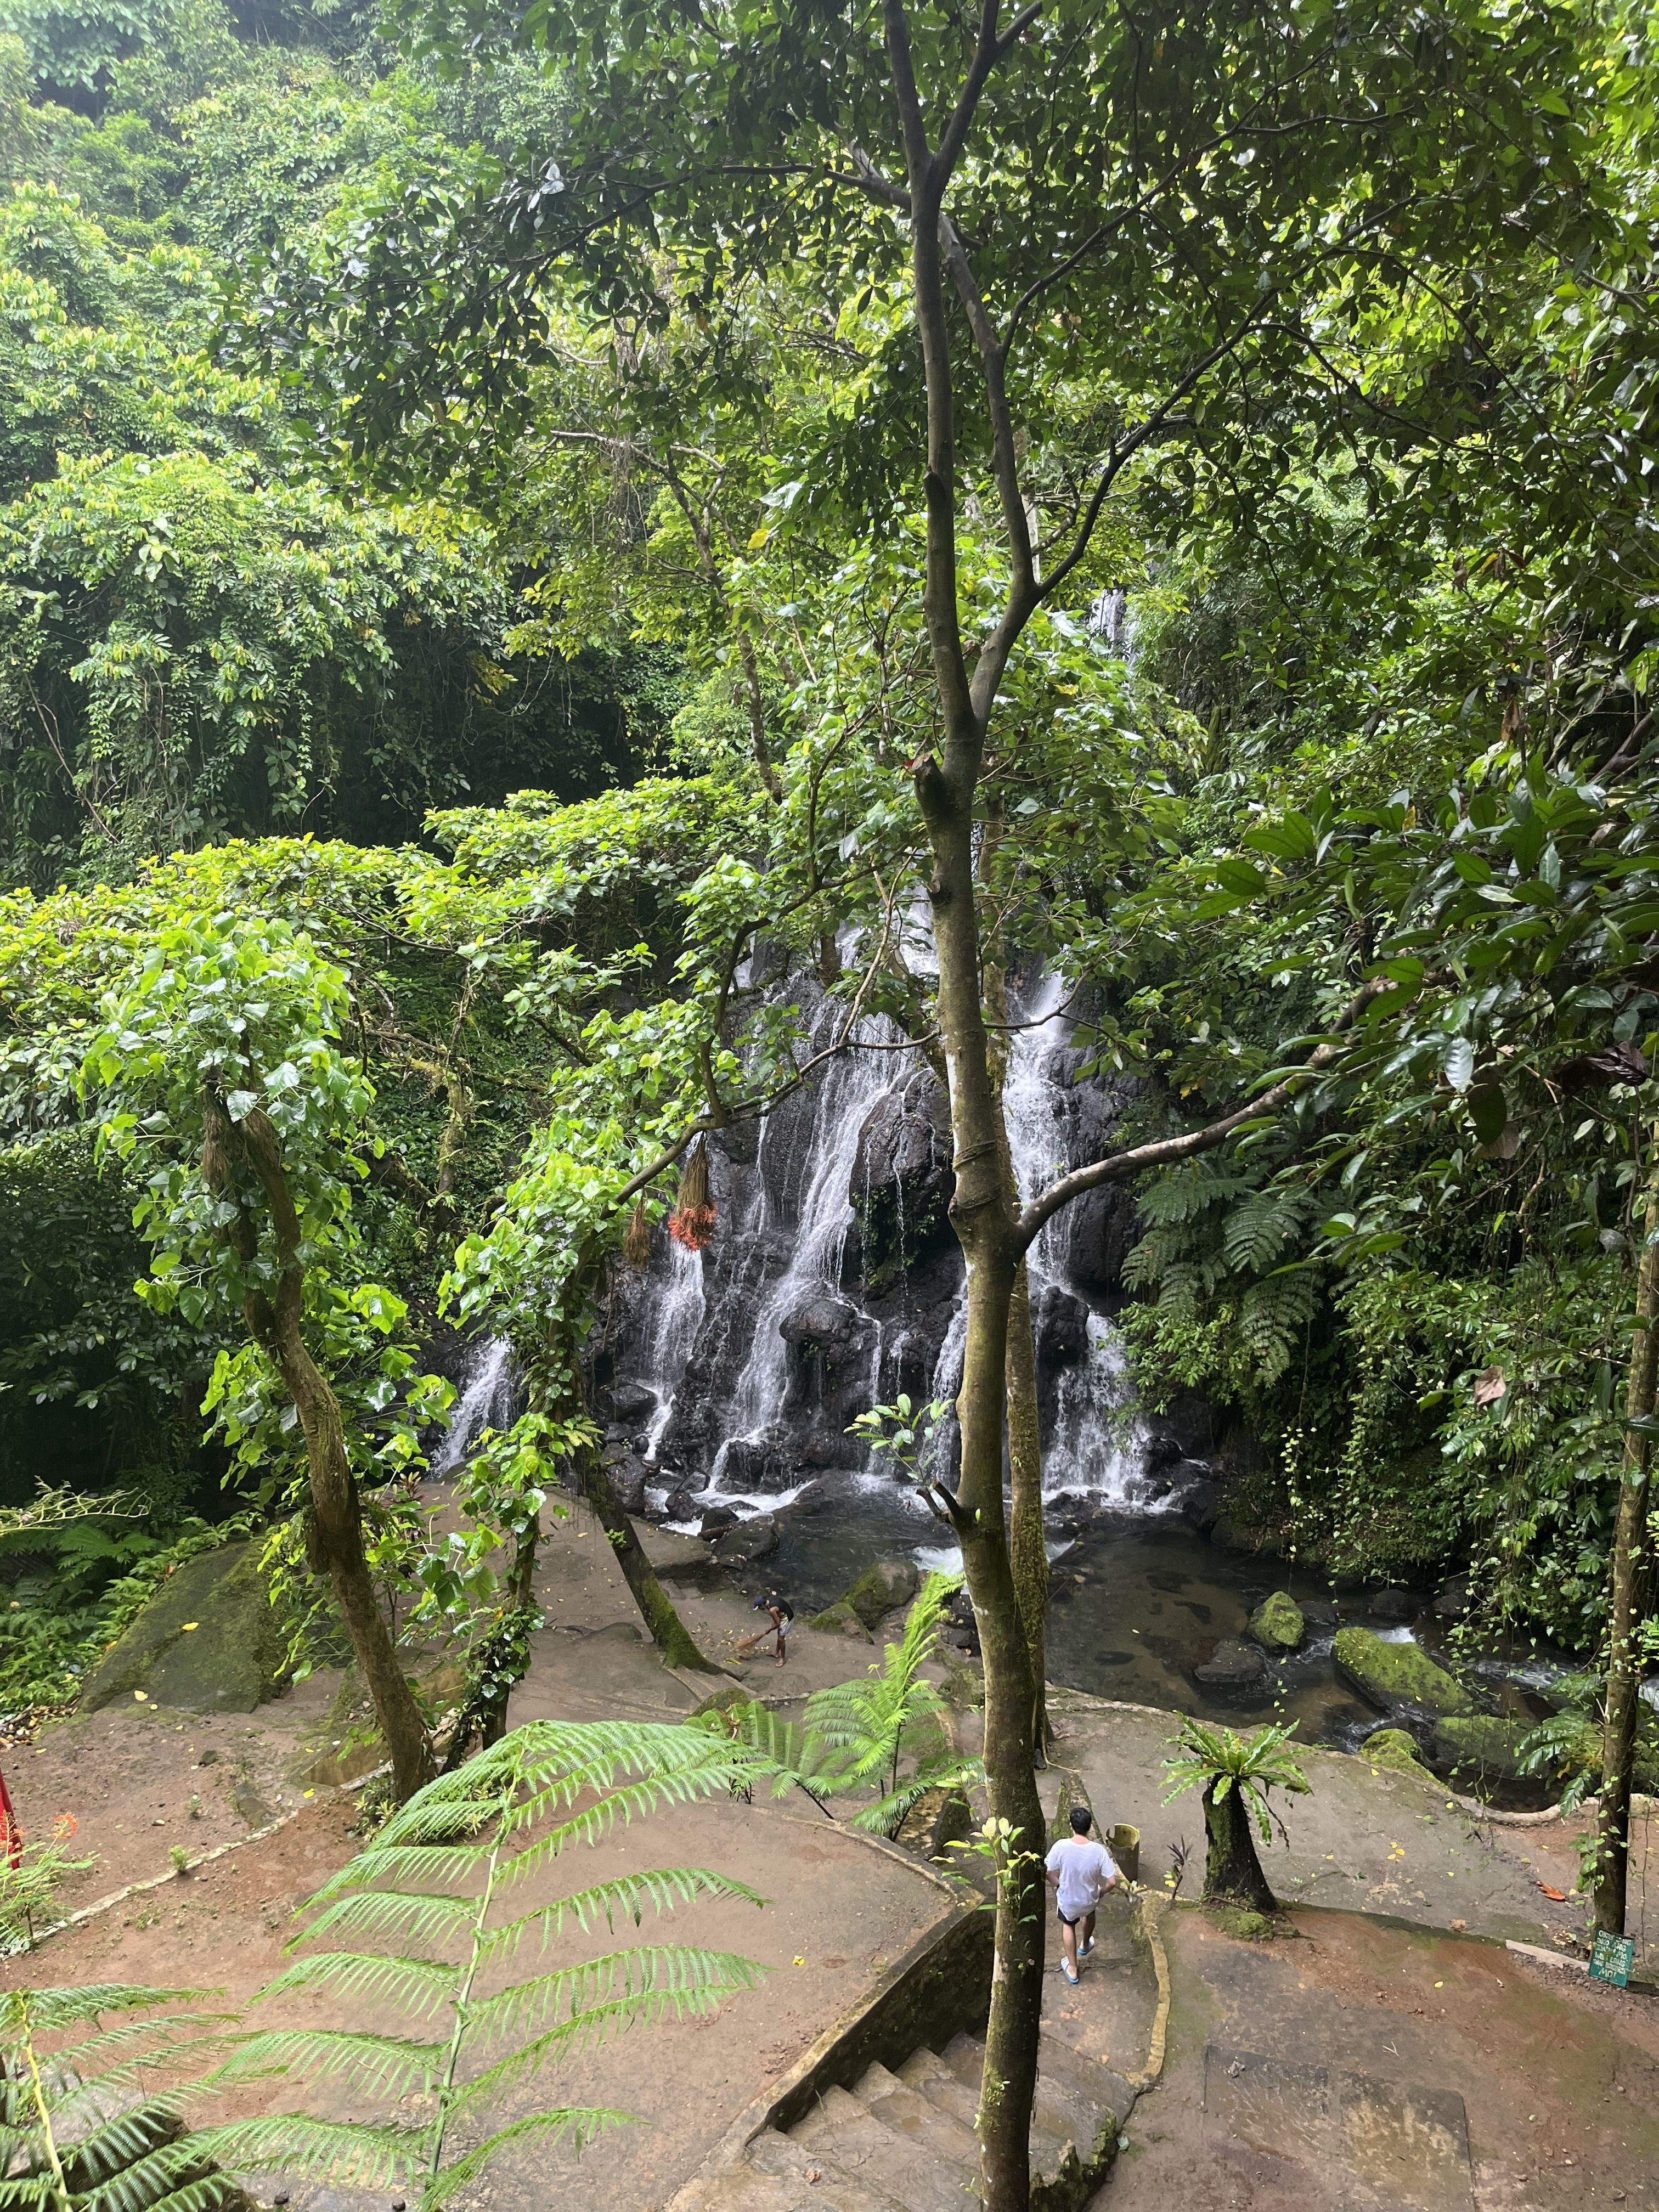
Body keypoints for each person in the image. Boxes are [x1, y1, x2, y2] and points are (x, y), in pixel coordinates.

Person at [1045, 1806, 1119, 1986]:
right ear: (1089, 1827)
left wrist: (1058, 1884)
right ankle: (1085, 1945)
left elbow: (1048, 1871)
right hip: (1089, 1900)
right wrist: (1100, 1892)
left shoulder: (1061, 1847)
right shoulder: (1098, 1851)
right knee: (1090, 1915)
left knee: (1068, 1926)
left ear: (1072, 1826)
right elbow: (1112, 1882)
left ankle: (1073, 1968)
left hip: (1069, 1901)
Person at [736, 1590, 794, 1666]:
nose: (760, 1609)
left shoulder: (772, 1610)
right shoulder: (769, 1600)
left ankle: (782, 1659)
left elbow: (777, 1624)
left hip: (787, 1618)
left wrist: (769, 1630)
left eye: (760, 1607)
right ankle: (776, 1654)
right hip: (782, 1614)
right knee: (779, 1634)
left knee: (781, 1639)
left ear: (762, 1605)